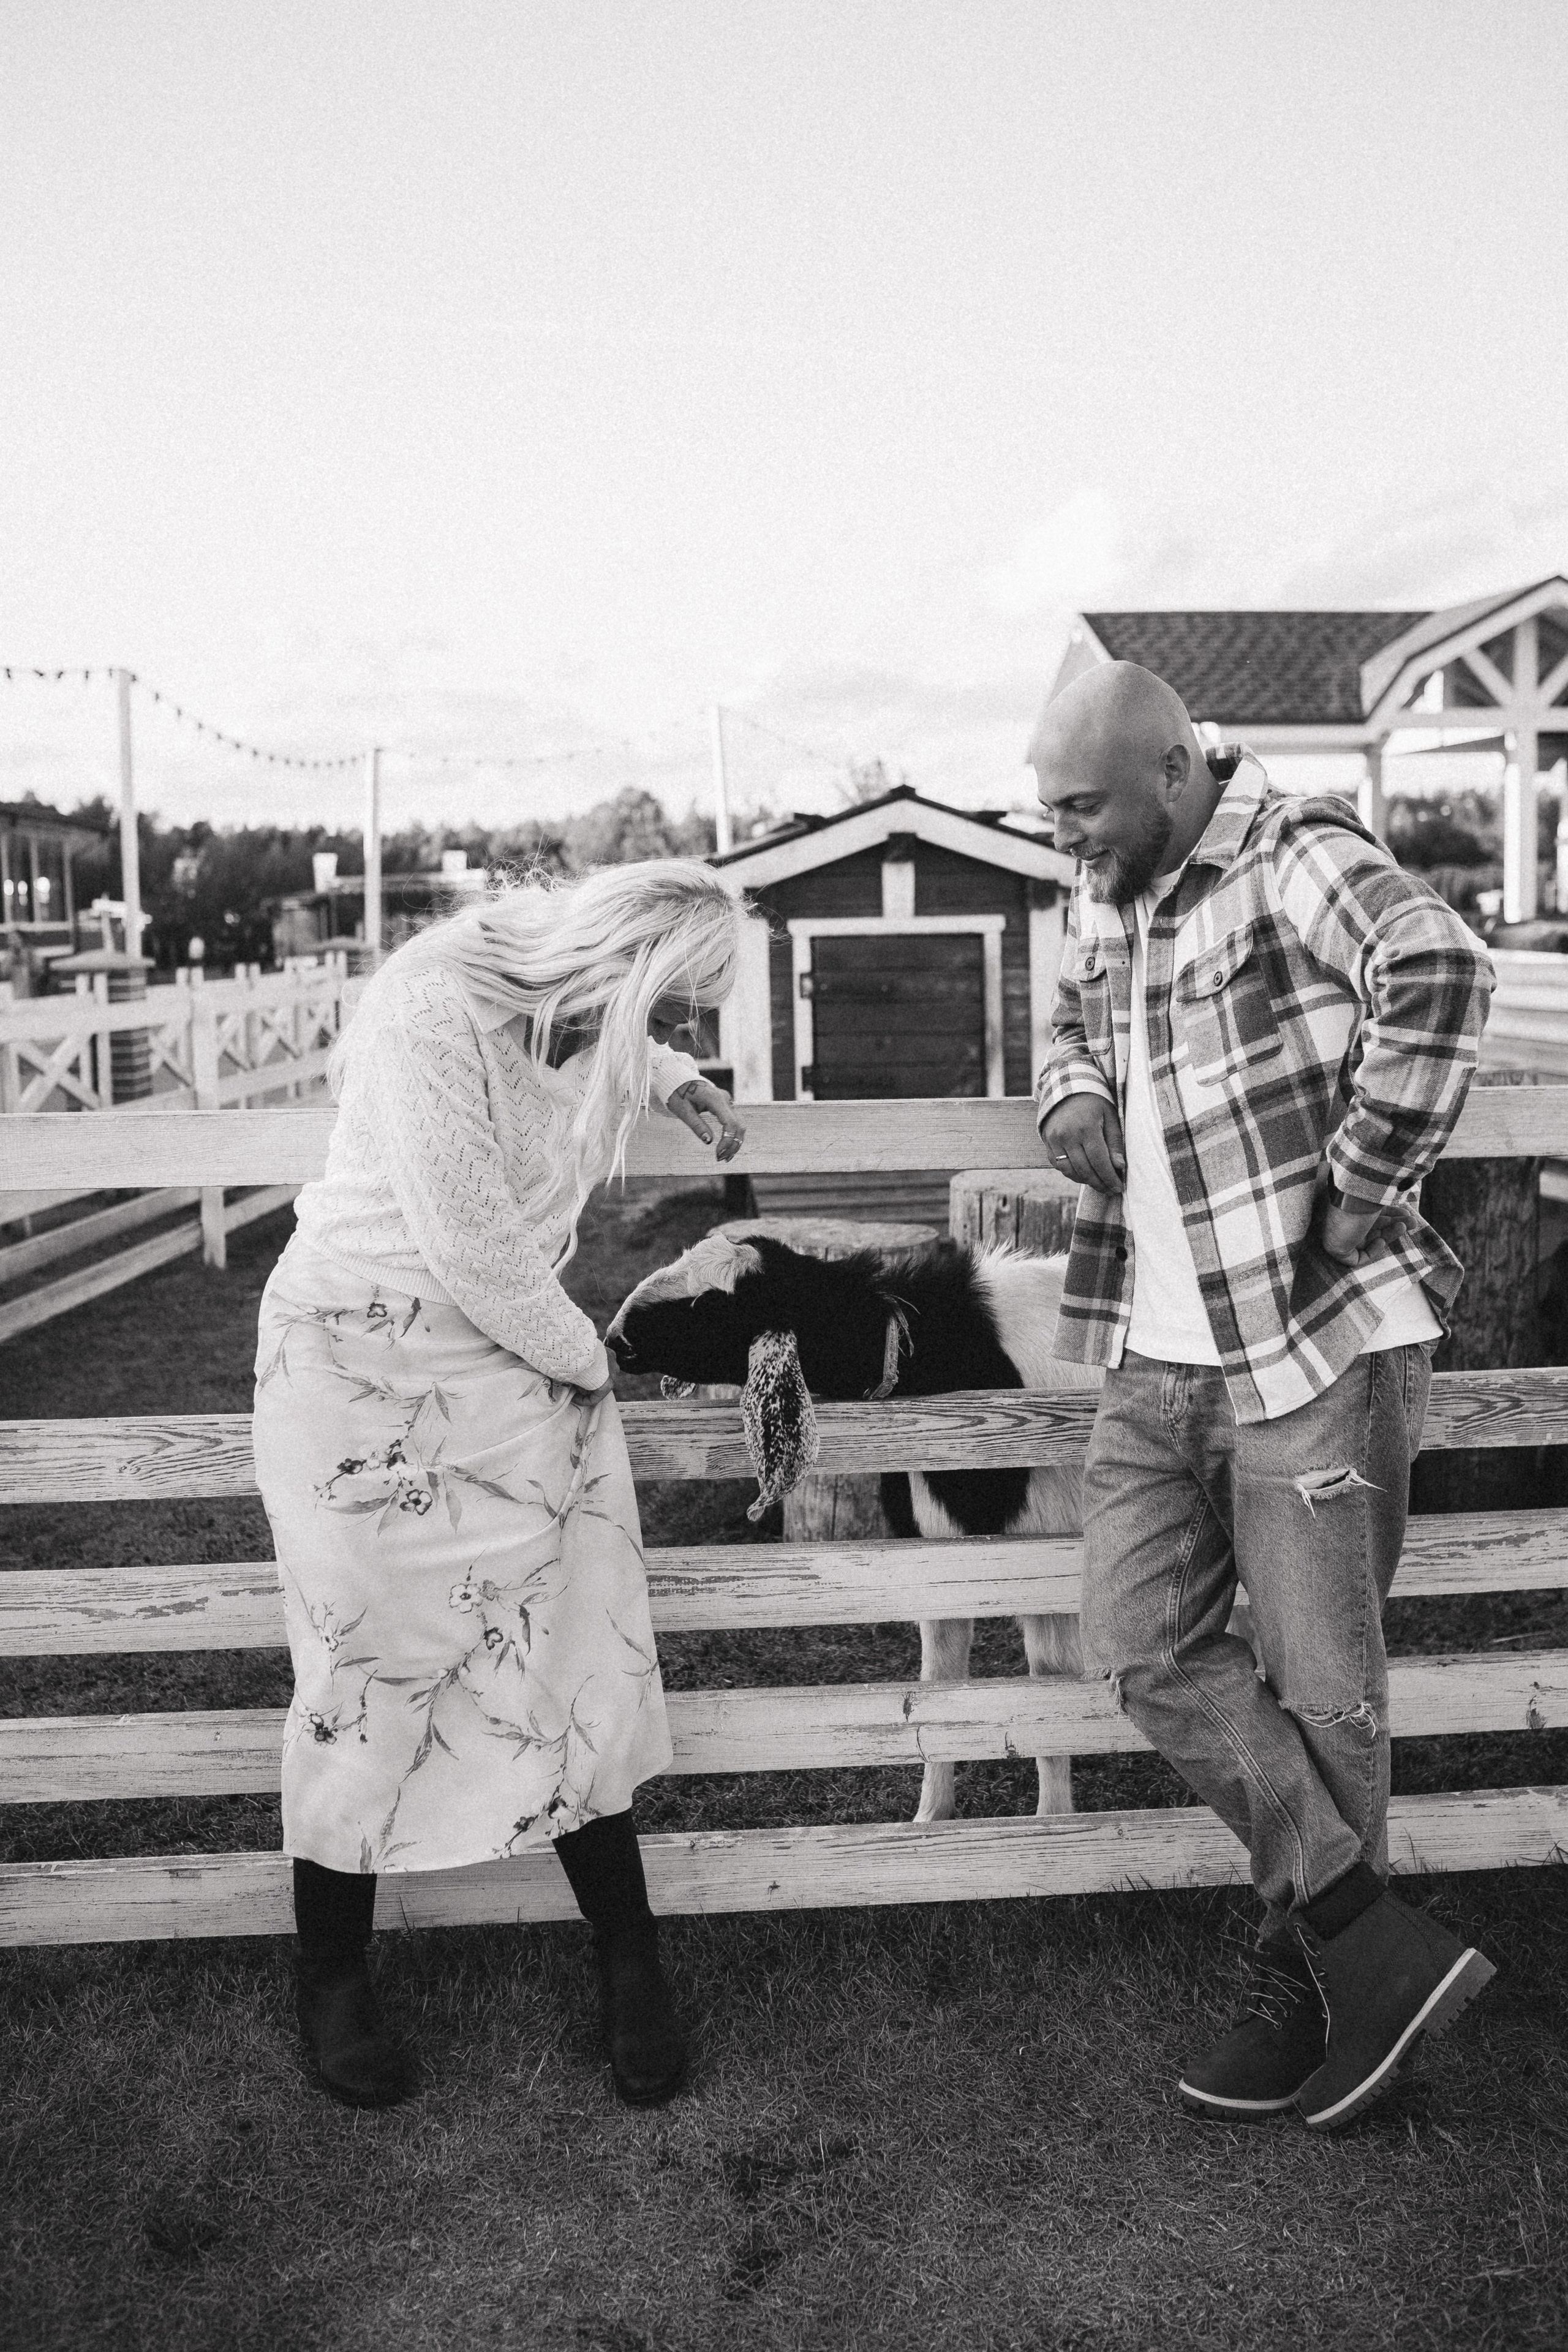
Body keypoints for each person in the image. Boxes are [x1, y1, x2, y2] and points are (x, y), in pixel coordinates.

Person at [1032, 662, 1496, 2132]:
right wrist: (1069, 1095)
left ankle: (1314, 1990)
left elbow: (1437, 970)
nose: (1062, 842)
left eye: (1081, 809)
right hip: (1152, 1360)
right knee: (1133, 1645)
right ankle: (1366, 1940)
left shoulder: (1289, 847)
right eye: (1047, 814)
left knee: (1322, 1692)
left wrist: (1360, 1189)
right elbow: (1063, 1017)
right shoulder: (1105, 892)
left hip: (1305, 1350)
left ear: (1173, 771)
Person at [252, 859, 745, 2110]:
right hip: (361, 1357)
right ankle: (332, 1974)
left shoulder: (589, 1011)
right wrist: (595, 1362)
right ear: (620, 972)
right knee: (362, 1659)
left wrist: (681, 1084)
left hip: (500, 1345)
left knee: (574, 1635)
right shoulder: (428, 1006)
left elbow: (607, 1044)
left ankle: (630, 1959)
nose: (677, 1036)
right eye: (677, 1013)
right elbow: (470, 1241)